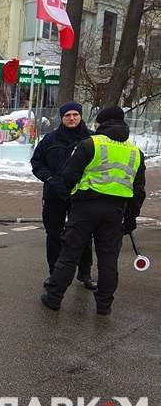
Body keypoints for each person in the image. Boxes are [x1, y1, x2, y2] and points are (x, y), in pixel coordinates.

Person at [41, 106, 146, 315]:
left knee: (70, 253)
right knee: (108, 259)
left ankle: (54, 298)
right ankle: (104, 305)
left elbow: (69, 175)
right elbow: (138, 190)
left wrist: (72, 195)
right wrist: (131, 218)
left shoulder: (90, 144)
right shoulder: (135, 152)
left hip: (85, 208)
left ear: (100, 124)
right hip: (115, 211)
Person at [31, 102, 95, 290]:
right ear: (61, 117)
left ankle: (85, 273)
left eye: (75, 114)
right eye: (67, 115)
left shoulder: (92, 139)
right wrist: (50, 179)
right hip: (54, 195)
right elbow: (36, 163)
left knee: (83, 236)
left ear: (81, 116)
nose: (72, 118)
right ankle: (54, 274)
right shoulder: (50, 140)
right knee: (53, 236)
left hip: (82, 196)